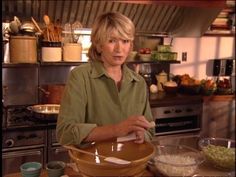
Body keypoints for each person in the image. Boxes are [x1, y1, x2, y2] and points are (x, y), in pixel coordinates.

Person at [56, 12, 154, 146]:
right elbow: (65, 133)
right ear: (99, 45)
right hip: (92, 164)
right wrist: (117, 130)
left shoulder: (139, 82)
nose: (119, 49)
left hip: (131, 163)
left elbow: (150, 130)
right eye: (112, 41)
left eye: (125, 41)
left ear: (130, 46)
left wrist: (143, 134)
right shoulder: (80, 77)